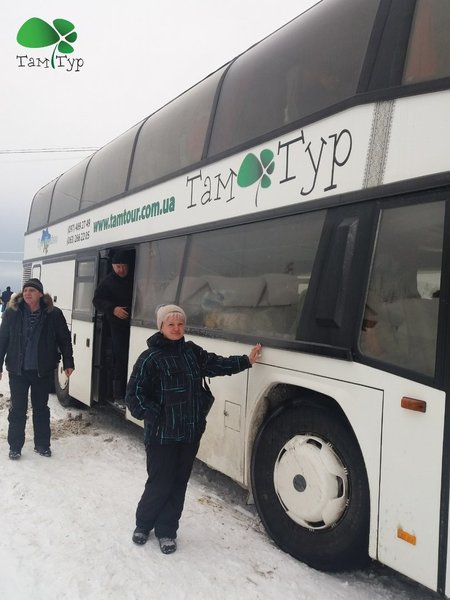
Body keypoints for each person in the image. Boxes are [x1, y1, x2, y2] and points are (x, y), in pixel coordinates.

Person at [125, 304, 262, 555]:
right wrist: (155, 414)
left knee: (178, 483)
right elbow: (134, 395)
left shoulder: (192, 352)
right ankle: (144, 524)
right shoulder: (150, 358)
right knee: (159, 482)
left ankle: (167, 531)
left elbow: (217, 364)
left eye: (180, 324)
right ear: (161, 327)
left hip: (189, 433)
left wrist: (246, 361)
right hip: (161, 435)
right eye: (171, 324)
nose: (176, 328)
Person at [0, 278, 74, 460]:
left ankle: (42, 445)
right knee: (18, 408)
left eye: (32, 291)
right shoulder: (12, 312)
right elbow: (2, 339)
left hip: (43, 370)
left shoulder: (53, 314)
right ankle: (15, 446)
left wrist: (68, 361)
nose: (27, 294)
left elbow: (64, 338)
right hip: (18, 370)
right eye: (25, 291)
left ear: (40, 294)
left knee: (41, 408)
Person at [92, 250, 133, 403]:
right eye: (118, 267)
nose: (121, 270)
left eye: (123, 266)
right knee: (120, 358)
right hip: (115, 326)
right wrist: (113, 309)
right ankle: (118, 394)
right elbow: (97, 300)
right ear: (113, 267)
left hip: (133, 324)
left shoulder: (135, 278)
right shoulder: (108, 281)